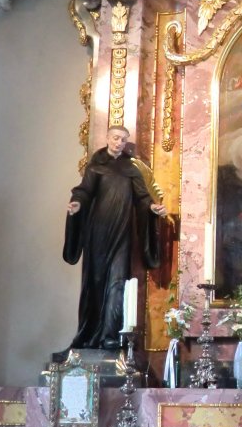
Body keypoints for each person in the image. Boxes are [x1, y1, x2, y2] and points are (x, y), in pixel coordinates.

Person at [63, 126, 167, 350]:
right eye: (116, 138)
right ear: (108, 138)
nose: (119, 143)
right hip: (98, 233)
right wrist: (77, 203)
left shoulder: (130, 169)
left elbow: (142, 197)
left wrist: (152, 207)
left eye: (123, 140)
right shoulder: (96, 167)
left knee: (117, 283)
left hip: (122, 234)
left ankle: (110, 334)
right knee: (96, 280)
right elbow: (84, 191)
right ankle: (90, 331)